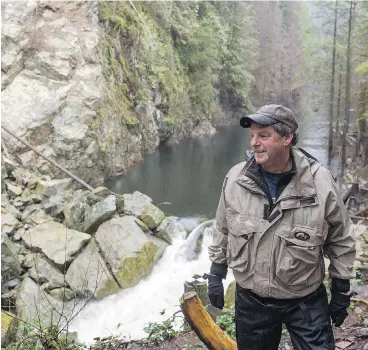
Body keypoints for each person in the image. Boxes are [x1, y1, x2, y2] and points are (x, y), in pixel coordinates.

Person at [207, 104, 356, 350]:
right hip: (252, 301)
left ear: (287, 138)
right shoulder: (235, 179)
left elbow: (340, 238)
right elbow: (222, 228)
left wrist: (341, 289)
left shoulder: (320, 183)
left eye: (263, 135)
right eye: (252, 135)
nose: (254, 142)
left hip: (305, 300)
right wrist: (216, 273)